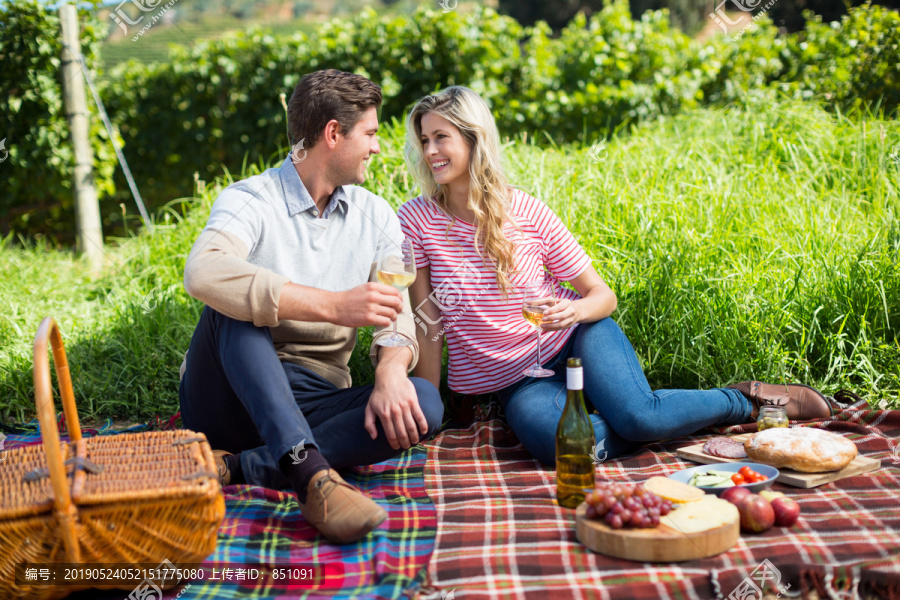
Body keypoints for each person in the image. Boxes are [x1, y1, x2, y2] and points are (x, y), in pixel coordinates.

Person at [397, 86, 832, 467]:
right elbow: (426, 323)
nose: (430, 151)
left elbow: (602, 296)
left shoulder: (525, 211)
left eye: (441, 138)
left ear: (474, 140)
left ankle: (743, 399)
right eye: (424, 140)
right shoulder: (415, 220)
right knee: (564, 449)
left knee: (641, 417)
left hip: (576, 340)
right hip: (518, 382)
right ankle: (655, 418)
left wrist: (573, 310)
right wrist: (431, 406)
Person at [178, 69, 444, 544]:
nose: (377, 147)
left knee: (421, 402)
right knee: (233, 307)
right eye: (371, 133)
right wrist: (333, 306)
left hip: (315, 399)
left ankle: (244, 465)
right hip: (230, 395)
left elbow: (396, 313)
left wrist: (389, 372)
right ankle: (310, 476)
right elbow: (203, 272)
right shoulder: (251, 199)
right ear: (333, 134)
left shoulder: (376, 215)